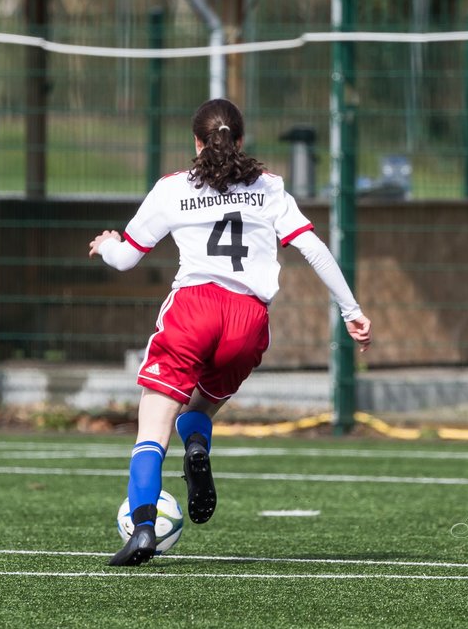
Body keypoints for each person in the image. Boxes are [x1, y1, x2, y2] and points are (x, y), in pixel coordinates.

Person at [89, 98, 373, 567]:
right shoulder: (269, 187)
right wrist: (351, 310)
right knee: (199, 407)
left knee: (151, 431)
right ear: (240, 141)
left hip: (193, 309)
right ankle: (198, 443)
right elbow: (314, 248)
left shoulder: (172, 189)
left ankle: (142, 527)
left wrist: (107, 245)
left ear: (196, 143)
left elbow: (127, 258)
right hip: (248, 318)